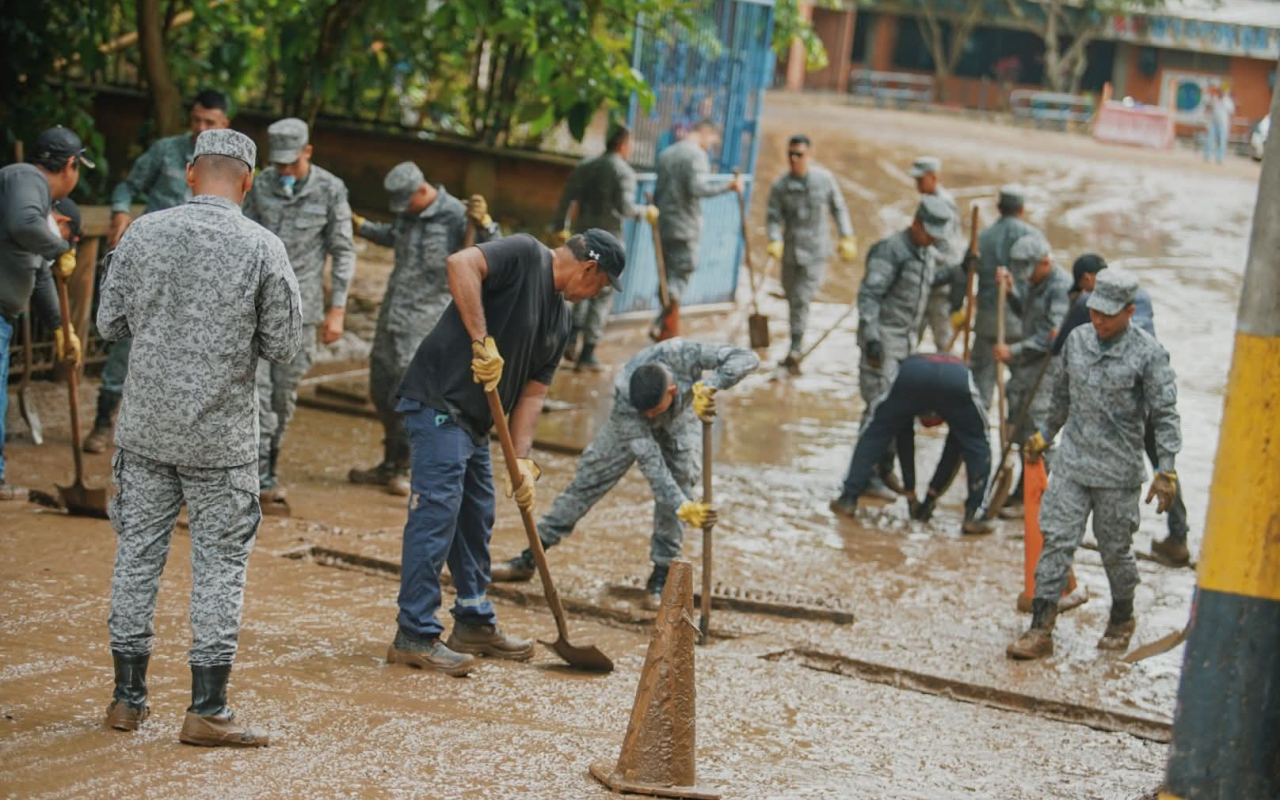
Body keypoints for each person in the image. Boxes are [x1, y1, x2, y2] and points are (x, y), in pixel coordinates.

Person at [98, 129, 302, 745]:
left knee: (136, 559)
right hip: (221, 441)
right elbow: (285, 346)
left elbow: (109, 322)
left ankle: (126, 700)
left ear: (190, 173)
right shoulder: (265, 248)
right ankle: (206, 709)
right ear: (247, 180)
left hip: (146, 430)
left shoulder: (143, 234)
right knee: (219, 568)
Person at [386, 228, 625, 676]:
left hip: (475, 422)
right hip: (440, 400)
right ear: (589, 269)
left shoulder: (561, 320)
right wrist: (481, 339)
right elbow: (461, 264)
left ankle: (474, 621)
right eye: (601, 285)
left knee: (477, 516)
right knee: (436, 515)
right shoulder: (524, 253)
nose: (596, 295)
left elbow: (533, 395)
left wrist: (521, 461)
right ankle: (414, 635)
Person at [490, 339, 757, 606]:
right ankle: (529, 558)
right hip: (628, 426)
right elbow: (652, 466)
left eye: (655, 410)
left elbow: (746, 357)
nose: (651, 417)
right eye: (648, 412)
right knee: (588, 482)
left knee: (682, 478)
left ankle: (660, 576)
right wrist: (683, 506)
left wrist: (712, 385)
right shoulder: (629, 401)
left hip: (681, 421)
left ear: (673, 391)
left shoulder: (684, 353)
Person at [1007, 269, 1180, 660]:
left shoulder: (1148, 354)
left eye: (1108, 314)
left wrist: (1166, 469)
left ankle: (1121, 617)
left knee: (1115, 549)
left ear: (1130, 311)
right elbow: (1060, 396)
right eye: (1094, 311)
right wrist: (1045, 435)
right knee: (1057, 541)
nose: (1098, 320)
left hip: (1117, 474)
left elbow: (1165, 414)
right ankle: (1040, 628)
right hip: (1071, 464)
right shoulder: (1078, 340)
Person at [86, 89, 232, 455]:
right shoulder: (166, 151)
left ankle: (167, 436)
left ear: (224, 124)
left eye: (209, 122)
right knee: (127, 345)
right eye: (196, 119)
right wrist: (121, 211)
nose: (200, 128)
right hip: (152, 268)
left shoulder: (231, 163)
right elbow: (128, 186)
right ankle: (103, 421)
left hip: (201, 278)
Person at [348, 162, 500, 497]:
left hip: (427, 321)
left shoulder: (458, 217)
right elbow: (393, 236)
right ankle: (389, 461)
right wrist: (362, 227)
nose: (404, 211)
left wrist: (487, 225)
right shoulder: (408, 214)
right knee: (381, 385)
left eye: (408, 203)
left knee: (410, 394)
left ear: (422, 189)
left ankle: (409, 468)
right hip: (393, 314)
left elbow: (492, 252)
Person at [242, 118, 356, 511]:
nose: (285, 171)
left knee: (282, 397)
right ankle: (255, 478)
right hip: (254, 306)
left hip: (301, 313)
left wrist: (337, 309)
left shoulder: (330, 189)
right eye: (279, 164)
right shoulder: (258, 186)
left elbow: (342, 250)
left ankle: (267, 466)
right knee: (254, 394)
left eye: (291, 163)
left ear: (307, 152)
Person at [1054, 254, 1188, 565]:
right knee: (1163, 469)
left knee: (1111, 469)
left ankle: (1099, 532)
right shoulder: (1139, 296)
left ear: (1090, 281)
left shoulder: (1087, 306)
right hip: (1149, 396)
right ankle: (1178, 536)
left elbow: (1059, 348)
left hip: (1119, 407)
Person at [0, 127, 89, 497]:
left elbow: (37, 276)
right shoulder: (26, 178)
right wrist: (59, 249)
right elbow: (23, 225)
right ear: (70, 165)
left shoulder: (36, 210)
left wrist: (60, 327)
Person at [856, 195, 953, 499]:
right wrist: (871, 337)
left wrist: (962, 270)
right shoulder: (892, 251)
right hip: (882, 341)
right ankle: (863, 477)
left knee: (898, 411)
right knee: (878, 410)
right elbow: (869, 295)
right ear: (916, 224)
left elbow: (931, 281)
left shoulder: (926, 253)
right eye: (930, 232)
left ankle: (884, 470)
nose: (933, 238)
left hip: (905, 343)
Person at [830, 352, 993, 534]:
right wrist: (918, 495)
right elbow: (951, 453)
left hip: (912, 376)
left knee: (874, 433)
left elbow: (905, 442)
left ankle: (848, 499)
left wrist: (923, 495)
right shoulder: (959, 401)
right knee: (979, 442)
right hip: (953, 381)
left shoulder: (908, 388)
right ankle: (975, 514)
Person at [554, 123, 657, 371]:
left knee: (580, 285)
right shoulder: (623, 171)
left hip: (584, 239)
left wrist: (560, 225)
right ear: (622, 144)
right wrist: (647, 212)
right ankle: (587, 353)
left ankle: (570, 338)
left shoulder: (586, 166)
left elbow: (567, 197)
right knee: (601, 295)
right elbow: (625, 208)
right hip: (610, 241)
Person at [992, 233, 1071, 518]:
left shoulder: (1060, 288)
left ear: (1045, 262)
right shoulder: (1034, 283)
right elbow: (1024, 312)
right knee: (1022, 431)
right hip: (1026, 371)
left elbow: (1052, 337)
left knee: (1040, 434)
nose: (1027, 278)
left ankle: (1036, 498)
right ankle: (1022, 491)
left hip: (1046, 373)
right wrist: (1011, 291)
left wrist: (1013, 351)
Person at [765, 134, 857, 372]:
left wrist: (846, 236)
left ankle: (796, 348)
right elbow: (773, 216)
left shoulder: (824, 180)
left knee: (802, 299)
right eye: (790, 154)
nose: (794, 159)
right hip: (791, 252)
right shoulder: (781, 185)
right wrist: (774, 239)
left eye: (799, 155)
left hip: (816, 252)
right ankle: (795, 345)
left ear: (809, 155)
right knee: (791, 298)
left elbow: (839, 208)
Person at [653, 119, 742, 338]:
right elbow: (698, 188)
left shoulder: (667, 154)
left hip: (664, 225)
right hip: (686, 227)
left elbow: (657, 193)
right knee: (683, 272)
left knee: (667, 275)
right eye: (712, 140)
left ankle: (663, 325)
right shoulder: (696, 155)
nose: (711, 146)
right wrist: (729, 186)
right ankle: (661, 321)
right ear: (704, 133)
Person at [971, 186, 1040, 408]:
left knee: (980, 388)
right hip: (1022, 325)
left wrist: (956, 306)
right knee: (1021, 386)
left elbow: (964, 271)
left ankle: (976, 435)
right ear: (1022, 209)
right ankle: (1015, 437)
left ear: (999, 208)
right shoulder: (1034, 237)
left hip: (987, 323)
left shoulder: (983, 236)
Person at [908, 156, 965, 351]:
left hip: (940, 284)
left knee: (943, 341)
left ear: (933, 177)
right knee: (912, 335)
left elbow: (948, 249)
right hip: (927, 282)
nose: (917, 184)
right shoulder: (929, 200)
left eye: (920, 179)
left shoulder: (942, 204)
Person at [1202, 84, 1235, 165]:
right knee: (1209, 140)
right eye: (1219, 91)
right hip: (1213, 123)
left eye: (1222, 91)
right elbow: (1208, 109)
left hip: (1223, 124)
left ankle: (1219, 158)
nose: (1220, 93)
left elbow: (1232, 112)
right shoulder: (1214, 99)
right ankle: (1207, 156)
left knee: (1222, 142)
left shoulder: (1227, 101)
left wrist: (1232, 125)